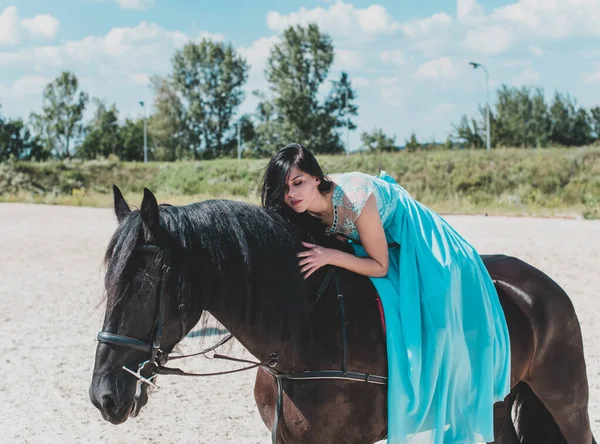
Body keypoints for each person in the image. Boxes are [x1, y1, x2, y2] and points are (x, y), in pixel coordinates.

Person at [261, 143, 511, 444]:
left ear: (316, 178)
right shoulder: (300, 208)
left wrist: (330, 255)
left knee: (437, 296)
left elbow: (379, 266)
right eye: (285, 187)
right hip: (368, 239)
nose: (291, 194)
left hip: (405, 228)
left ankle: (453, 381)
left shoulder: (354, 200)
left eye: (298, 182)